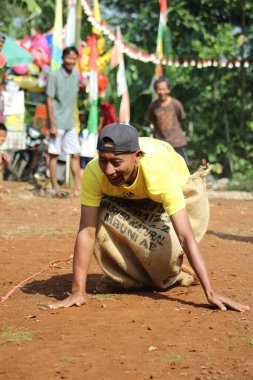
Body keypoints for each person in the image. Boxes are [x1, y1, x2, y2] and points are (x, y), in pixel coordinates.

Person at [48, 123, 250, 313]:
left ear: (137, 156)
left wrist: (211, 292)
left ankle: (176, 272)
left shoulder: (160, 175)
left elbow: (186, 236)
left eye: (116, 162)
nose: (109, 170)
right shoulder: (94, 172)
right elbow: (87, 229)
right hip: (131, 190)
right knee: (102, 215)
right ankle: (129, 275)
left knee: (163, 247)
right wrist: (77, 291)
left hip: (172, 185)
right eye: (103, 160)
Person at [46, 46, 81, 197]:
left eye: (74, 58)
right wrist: (52, 124)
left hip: (70, 122)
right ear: (63, 58)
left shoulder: (76, 76)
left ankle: (78, 188)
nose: (71, 61)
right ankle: (55, 185)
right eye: (68, 58)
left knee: (75, 154)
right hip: (57, 121)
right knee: (54, 154)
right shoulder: (54, 75)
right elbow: (49, 99)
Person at [148, 77, 189, 165]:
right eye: (159, 89)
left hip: (176, 142)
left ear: (168, 90)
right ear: (155, 90)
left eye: (164, 89)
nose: (162, 92)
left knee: (182, 166)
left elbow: (181, 118)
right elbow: (152, 120)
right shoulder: (153, 106)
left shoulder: (175, 104)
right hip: (160, 144)